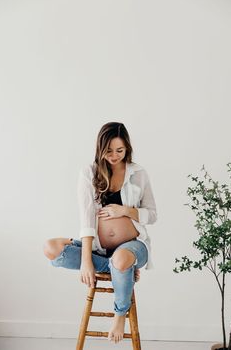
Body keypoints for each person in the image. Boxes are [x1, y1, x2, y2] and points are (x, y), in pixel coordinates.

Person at [43, 122, 157, 344]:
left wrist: (125, 211)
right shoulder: (89, 172)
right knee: (51, 248)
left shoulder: (139, 173)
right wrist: (86, 260)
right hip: (98, 249)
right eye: (109, 150)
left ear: (127, 149)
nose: (114, 156)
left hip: (134, 246)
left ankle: (119, 313)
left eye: (120, 150)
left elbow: (152, 215)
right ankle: (121, 270)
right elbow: (86, 217)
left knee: (122, 257)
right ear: (100, 148)